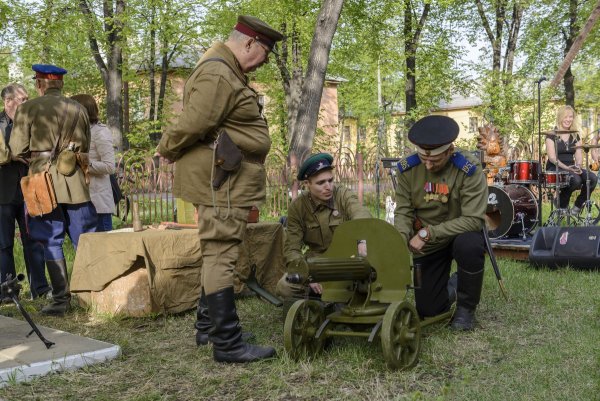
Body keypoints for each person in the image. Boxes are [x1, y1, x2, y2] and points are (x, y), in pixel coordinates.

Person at [155, 15, 283, 363]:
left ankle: (208, 327)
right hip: (222, 180)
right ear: (248, 43)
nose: (267, 59)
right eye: (265, 51)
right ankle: (227, 343)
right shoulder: (218, 73)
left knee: (220, 250)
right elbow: (195, 122)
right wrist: (167, 147)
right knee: (221, 254)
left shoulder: (226, 71)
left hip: (226, 178)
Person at [9, 64, 97, 315]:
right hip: (75, 181)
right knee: (85, 240)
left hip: (42, 181)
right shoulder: (79, 108)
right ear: (61, 83)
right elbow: (86, 146)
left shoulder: (28, 108)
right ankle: (91, 295)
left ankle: (61, 300)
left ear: (39, 83)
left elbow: (17, 149)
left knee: (51, 240)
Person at [394, 115, 487, 331]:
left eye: (434, 160)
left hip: (458, 234)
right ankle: (457, 283)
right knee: (429, 310)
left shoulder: (468, 169)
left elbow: (473, 220)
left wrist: (428, 233)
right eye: (423, 157)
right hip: (428, 245)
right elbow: (403, 212)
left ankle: (466, 309)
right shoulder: (408, 170)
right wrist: (399, 239)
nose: (428, 164)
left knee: (470, 245)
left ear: (449, 150)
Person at [276, 153, 372, 299]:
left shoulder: (343, 194)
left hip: (345, 260)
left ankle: (333, 295)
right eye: (321, 183)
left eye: (330, 180)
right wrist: (306, 273)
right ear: (307, 184)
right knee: (285, 287)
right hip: (316, 263)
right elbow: (292, 249)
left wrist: (361, 242)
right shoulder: (298, 207)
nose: (328, 187)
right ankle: (321, 297)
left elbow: (361, 216)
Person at [0, 83, 51, 301]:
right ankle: (8, 292)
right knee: (3, 244)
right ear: (8, 101)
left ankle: (39, 288)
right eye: (22, 99)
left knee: (34, 240)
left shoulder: (32, 121)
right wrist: (11, 155)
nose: (26, 102)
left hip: (30, 189)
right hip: (2, 193)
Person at [71, 94, 116, 232]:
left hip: (99, 203)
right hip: (81, 201)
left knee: (105, 248)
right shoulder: (77, 132)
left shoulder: (100, 132)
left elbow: (109, 166)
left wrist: (83, 164)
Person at [545, 105, 597, 213]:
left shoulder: (575, 135)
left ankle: (578, 206)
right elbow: (552, 158)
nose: (568, 119)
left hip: (571, 168)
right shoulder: (551, 135)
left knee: (592, 178)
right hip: (555, 167)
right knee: (576, 180)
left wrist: (577, 166)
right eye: (566, 117)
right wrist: (568, 169)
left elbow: (578, 156)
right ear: (560, 117)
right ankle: (561, 203)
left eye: (570, 117)